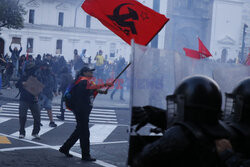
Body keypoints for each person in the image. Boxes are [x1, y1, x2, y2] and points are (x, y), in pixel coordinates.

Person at [131, 75, 232, 167]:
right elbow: (194, 117)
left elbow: (143, 160)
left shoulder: (179, 134)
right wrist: (150, 113)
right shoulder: (224, 132)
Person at [59, 66, 113, 161]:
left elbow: (89, 91)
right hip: (81, 110)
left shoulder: (84, 81)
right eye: (90, 71)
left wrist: (101, 91)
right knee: (84, 132)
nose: (92, 73)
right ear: (84, 72)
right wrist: (105, 84)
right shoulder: (83, 81)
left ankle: (65, 148)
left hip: (81, 109)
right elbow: (89, 88)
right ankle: (85, 155)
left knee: (79, 130)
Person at [15, 62, 40, 139]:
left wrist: (37, 95)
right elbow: (17, 84)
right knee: (22, 116)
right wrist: (23, 83)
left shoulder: (35, 76)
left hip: (33, 99)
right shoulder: (24, 76)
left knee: (37, 116)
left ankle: (35, 132)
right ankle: (22, 132)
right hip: (24, 99)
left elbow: (38, 87)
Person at [37, 61, 58, 127]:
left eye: (47, 66)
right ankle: (37, 121)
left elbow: (54, 83)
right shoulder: (39, 73)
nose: (46, 67)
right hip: (41, 93)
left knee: (49, 108)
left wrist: (54, 91)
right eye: (45, 66)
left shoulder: (51, 74)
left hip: (48, 93)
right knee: (39, 108)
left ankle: (51, 121)